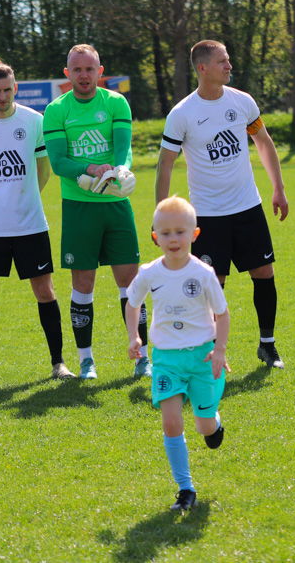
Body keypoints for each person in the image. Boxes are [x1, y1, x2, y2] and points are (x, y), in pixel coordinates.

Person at [155, 39, 289, 369]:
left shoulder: (242, 102)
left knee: (264, 273)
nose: (229, 66)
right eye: (222, 62)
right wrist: (162, 216)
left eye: (228, 60)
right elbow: (166, 164)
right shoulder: (182, 114)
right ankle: (212, 352)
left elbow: (263, 142)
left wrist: (278, 188)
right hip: (208, 215)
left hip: (248, 207)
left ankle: (268, 346)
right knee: (212, 284)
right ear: (203, 68)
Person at [0, 60, 72, 382]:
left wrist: (23, 197)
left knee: (45, 291)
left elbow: (43, 168)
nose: (2, 96)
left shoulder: (34, 121)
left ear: (15, 88)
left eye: (8, 90)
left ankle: (58, 364)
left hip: (30, 225)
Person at [43, 43, 150, 380]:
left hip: (116, 205)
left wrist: (119, 172)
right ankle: (86, 360)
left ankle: (142, 358)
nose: (84, 75)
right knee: (83, 285)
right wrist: (90, 170)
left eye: (90, 69)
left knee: (130, 283)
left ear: (100, 72)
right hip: (79, 208)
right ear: (67, 74)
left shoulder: (116, 103)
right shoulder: (56, 110)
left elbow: (123, 152)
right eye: (77, 70)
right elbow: (59, 162)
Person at [125, 196, 229, 511]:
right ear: (155, 236)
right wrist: (134, 336)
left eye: (180, 232)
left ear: (194, 234)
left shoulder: (204, 274)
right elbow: (133, 303)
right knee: (171, 422)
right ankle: (186, 489)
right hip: (167, 358)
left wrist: (220, 349)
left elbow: (222, 314)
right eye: (166, 233)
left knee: (204, 426)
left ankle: (213, 422)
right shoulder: (149, 273)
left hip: (202, 358)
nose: (173, 239)